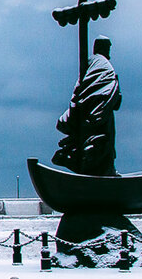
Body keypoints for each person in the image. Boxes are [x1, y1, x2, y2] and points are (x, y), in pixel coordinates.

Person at [52, 36, 122, 176]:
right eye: (108, 48)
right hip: (98, 112)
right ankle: (102, 172)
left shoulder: (93, 64)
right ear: (101, 47)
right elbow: (102, 90)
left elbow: (88, 89)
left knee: (104, 142)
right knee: (102, 141)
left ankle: (106, 171)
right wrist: (112, 94)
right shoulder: (103, 65)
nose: (109, 51)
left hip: (98, 111)